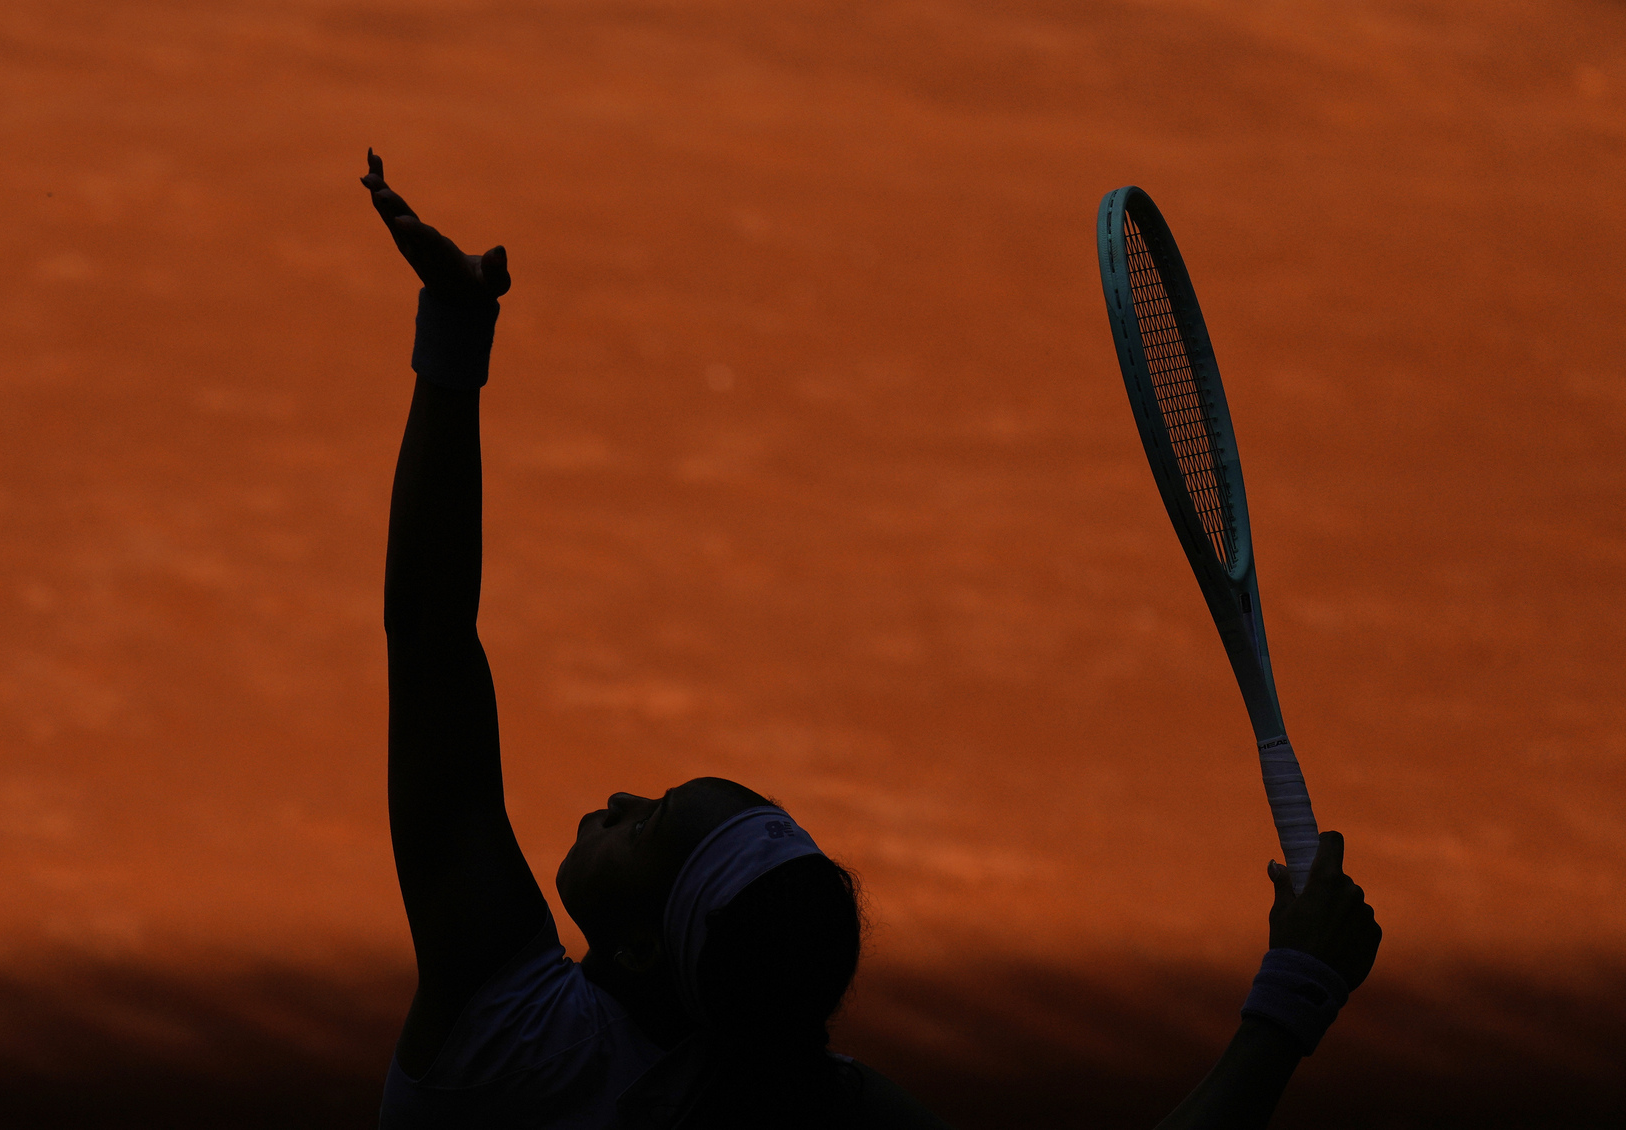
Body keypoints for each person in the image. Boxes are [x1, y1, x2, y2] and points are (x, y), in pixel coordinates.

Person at [362, 151, 1381, 1130]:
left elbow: (431, 632)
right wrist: (1289, 997)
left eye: (647, 826)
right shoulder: (816, 1110)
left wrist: (455, 332)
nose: (620, 801)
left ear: (638, 948)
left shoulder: (510, 1036)